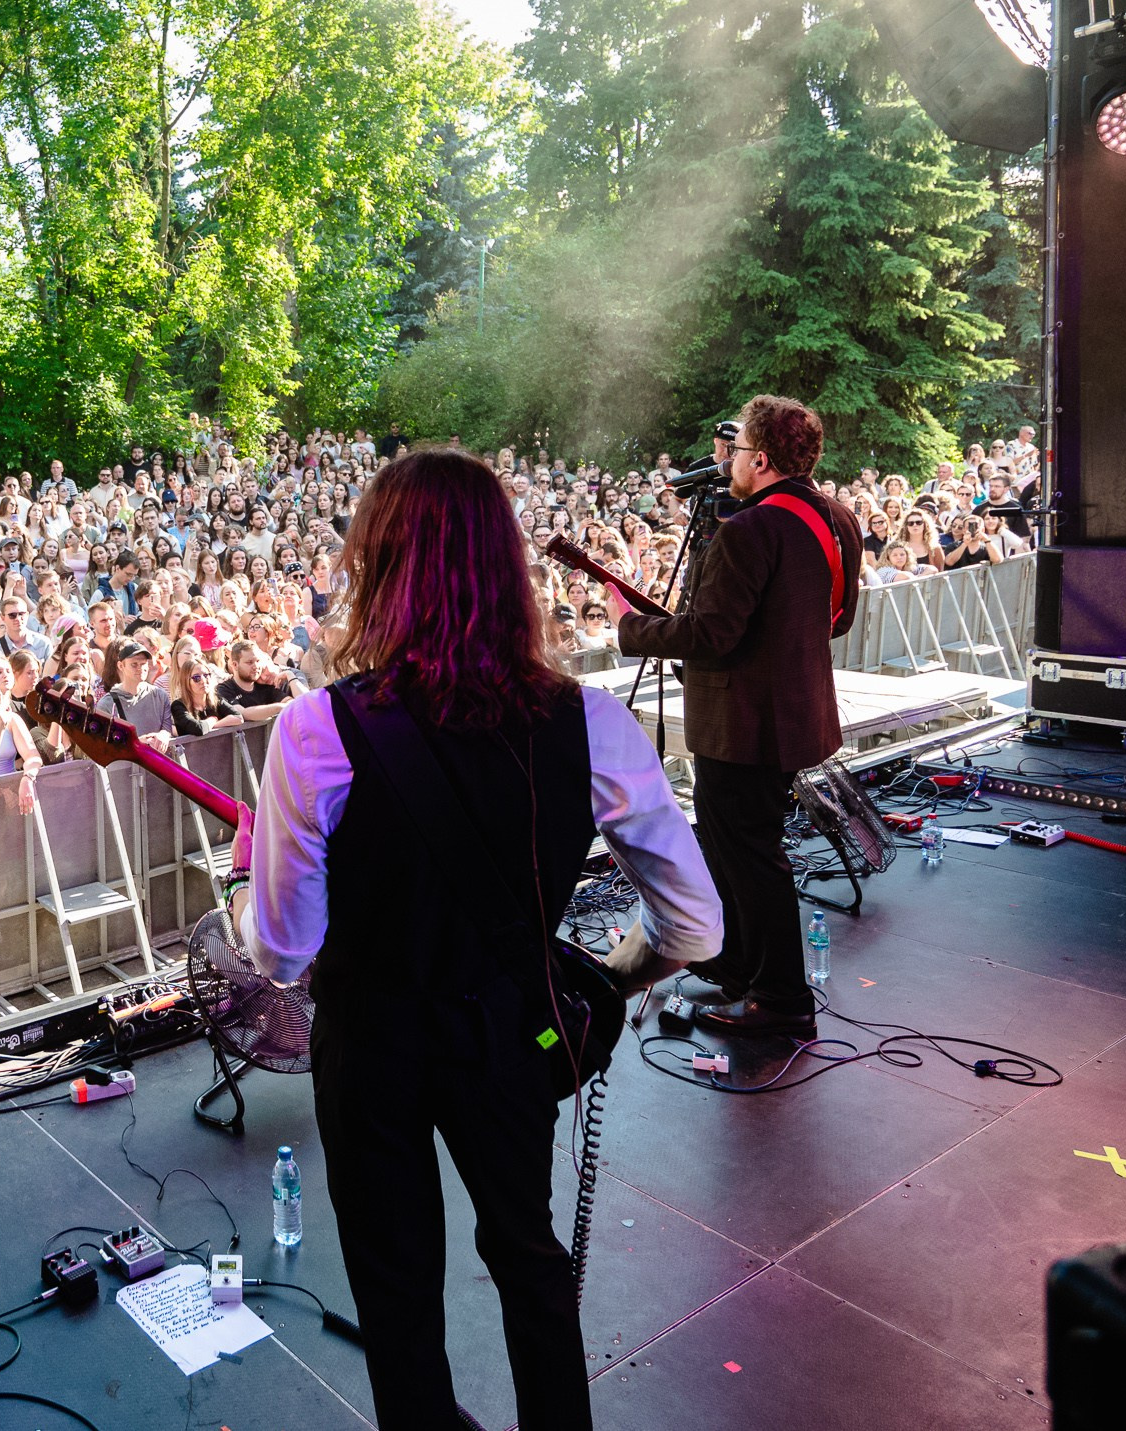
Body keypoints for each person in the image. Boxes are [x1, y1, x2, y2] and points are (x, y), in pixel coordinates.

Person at [242, 447, 719, 1431]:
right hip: (510, 1033)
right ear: (507, 567)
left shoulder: (314, 732)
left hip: (371, 1043)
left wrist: (266, 884)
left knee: (395, 1276)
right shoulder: (591, 720)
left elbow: (285, 951)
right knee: (528, 1254)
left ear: (377, 566)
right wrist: (614, 973)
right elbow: (696, 923)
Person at [605, 394, 860, 1039]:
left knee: (749, 856)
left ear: (764, 459)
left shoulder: (750, 530)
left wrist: (629, 629)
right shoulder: (836, 520)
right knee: (742, 847)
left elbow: (714, 634)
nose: (731, 462)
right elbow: (838, 618)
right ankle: (742, 969)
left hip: (743, 725)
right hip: (797, 715)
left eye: (739, 450)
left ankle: (778, 1000)